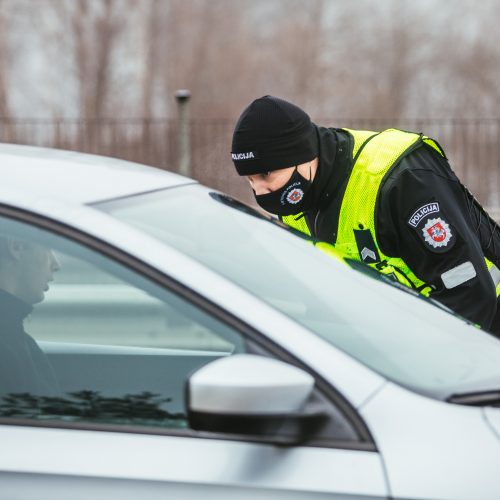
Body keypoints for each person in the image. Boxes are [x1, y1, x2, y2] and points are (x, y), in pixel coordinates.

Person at [230, 95, 500, 335]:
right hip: (403, 335)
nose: (260, 191)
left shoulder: (398, 178)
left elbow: (467, 290)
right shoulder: (296, 198)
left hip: (483, 332)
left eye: (265, 175)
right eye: (249, 180)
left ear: (303, 154)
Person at [0, 236, 61, 400]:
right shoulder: (7, 343)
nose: (56, 265)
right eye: (48, 248)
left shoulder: (14, 336)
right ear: (17, 246)